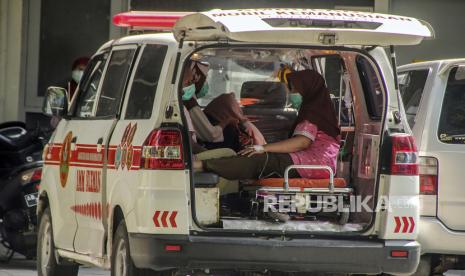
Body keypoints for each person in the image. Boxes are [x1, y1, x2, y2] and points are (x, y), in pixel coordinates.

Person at [194, 69, 341, 180]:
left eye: (295, 89)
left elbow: (302, 143)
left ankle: (199, 166)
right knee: (260, 157)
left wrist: (262, 148)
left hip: (311, 164)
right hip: (316, 163)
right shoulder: (320, 111)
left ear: (308, 90)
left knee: (256, 160)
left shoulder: (312, 114)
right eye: (290, 89)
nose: (291, 93)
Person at [182, 60, 265, 151]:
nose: (192, 85)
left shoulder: (187, 101)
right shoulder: (189, 103)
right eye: (189, 82)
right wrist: (227, 121)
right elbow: (211, 135)